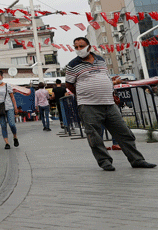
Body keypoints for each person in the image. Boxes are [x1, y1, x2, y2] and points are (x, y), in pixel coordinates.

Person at [66, 37, 155, 171]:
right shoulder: (72, 65)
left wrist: (111, 91)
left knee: (124, 133)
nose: (79, 49)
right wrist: (85, 93)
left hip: (109, 103)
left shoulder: (101, 60)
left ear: (89, 47)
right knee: (94, 136)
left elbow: (106, 78)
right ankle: (105, 162)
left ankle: (137, 160)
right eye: (76, 47)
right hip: (88, 105)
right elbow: (70, 85)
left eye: (81, 46)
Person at [0, 72, 20, 149]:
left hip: (9, 107)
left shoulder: (7, 85)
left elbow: (12, 97)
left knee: (12, 124)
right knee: (3, 125)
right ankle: (7, 143)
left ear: (2, 77)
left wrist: (15, 107)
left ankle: (15, 137)